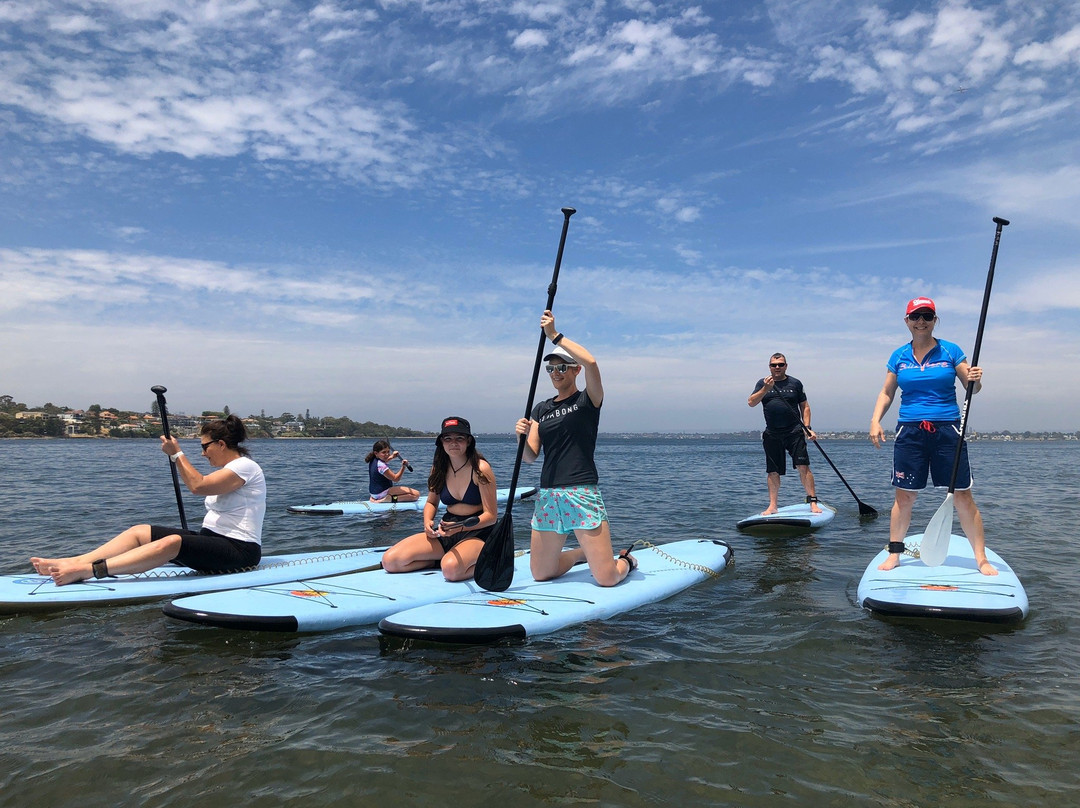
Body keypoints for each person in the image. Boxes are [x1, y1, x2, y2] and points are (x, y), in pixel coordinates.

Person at [30, 414, 266, 586]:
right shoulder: (227, 470)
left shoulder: (245, 467)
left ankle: (88, 571)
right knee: (139, 531)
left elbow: (198, 486)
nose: (203, 453)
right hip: (213, 542)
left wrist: (177, 454)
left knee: (172, 543)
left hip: (240, 551)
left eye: (205, 446)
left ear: (221, 444)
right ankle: (74, 561)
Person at [869, 296, 997, 575]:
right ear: (907, 321)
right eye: (915, 316)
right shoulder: (898, 356)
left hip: (947, 430)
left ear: (935, 320)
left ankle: (981, 559)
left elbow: (971, 388)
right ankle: (894, 553)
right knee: (904, 498)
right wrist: (875, 420)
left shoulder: (951, 351)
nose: (921, 321)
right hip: (910, 431)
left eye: (927, 316)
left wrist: (975, 379)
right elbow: (887, 392)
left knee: (963, 496)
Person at [515, 309, 635, 587]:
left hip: (581, 491)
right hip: (548, 495)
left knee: (607, 578)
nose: (555, 373)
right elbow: (531, 456)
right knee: (541, 574)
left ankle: (626, 561)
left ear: (575, 370)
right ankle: (582, 554)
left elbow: (592, 363)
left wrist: (554, 335)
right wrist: (520, 437)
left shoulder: (587, 401)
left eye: (562, 367)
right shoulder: (541, 409)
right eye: (551, 368)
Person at [381, 416, 497, 581]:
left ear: (469, 441)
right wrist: (428, 521)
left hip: (478, 532)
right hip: (447, 529)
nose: (453, 443)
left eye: (459, 438)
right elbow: (431, 502)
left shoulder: (481, 469)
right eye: (447, 438)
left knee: (451, 570)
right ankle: (435, 561)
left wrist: (461, 528)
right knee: (391, 561)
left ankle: (490, 558)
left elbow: (491, 516)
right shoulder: (438, 469)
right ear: (441, 443)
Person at [747, 353, 822, 515]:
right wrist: (765, 389)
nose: (777, 367)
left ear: (786, 366)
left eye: (781, 364)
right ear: (769, 367)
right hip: (772, 433)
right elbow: (751, 402)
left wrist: (807, 427)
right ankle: (772, 506)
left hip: (794, 432)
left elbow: (805, 407)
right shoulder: (762, 383)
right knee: (773, 470)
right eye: (774, 365)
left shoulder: (795, 383)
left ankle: (813, 502)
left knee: (803, 467)